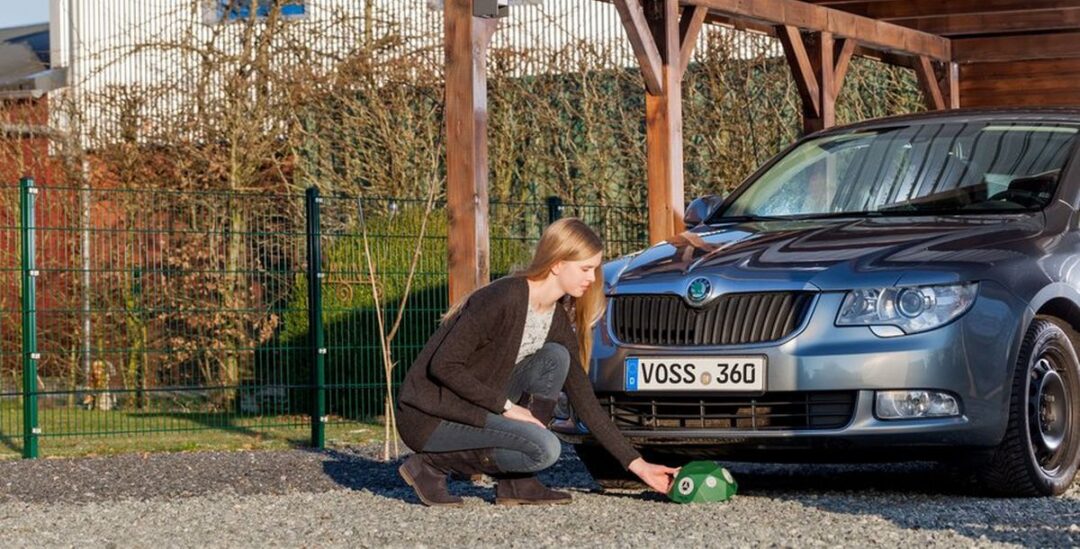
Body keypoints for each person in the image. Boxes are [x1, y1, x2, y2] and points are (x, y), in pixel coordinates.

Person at [396, 217, 680, 506]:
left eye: (594, 269)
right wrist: (506, 408)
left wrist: (639, 465)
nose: (593, 279)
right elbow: (443, 366)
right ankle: (430, 466)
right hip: (431, 416)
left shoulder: (554, 319)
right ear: (557, 264)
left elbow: (585, 401)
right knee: (544, 449)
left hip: (477, 405)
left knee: (555, 358)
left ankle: (517, 483)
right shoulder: (503, 297)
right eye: (585, 269)